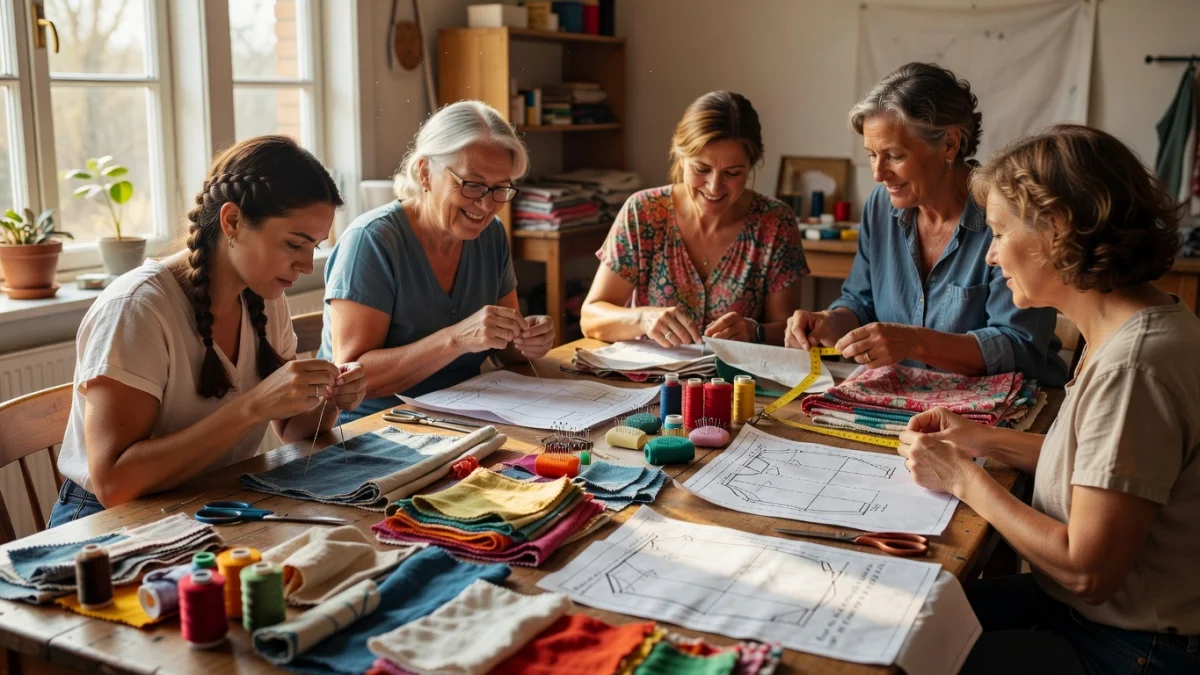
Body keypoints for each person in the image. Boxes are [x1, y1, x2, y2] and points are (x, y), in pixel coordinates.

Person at [899, 125, 1199, 675]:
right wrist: (981, 440)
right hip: (1088, 614)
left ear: (1056, 231)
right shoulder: (1129, 329)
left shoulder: (1135, 366)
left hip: (1129, 645)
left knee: (902, 658)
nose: (990, 257)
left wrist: (963, 478)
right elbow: (1103, 473)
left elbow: (1088, 570)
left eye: (998, 233)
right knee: (903, 612)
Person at [49, 135, 365, 526]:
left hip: (208, 501)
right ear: (232, 221)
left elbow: (292, 430)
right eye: (293, 244)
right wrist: (252, 407)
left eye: (313, 247)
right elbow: (114, 485)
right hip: (106, 523)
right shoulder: (136, 309)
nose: (305, 265)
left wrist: (329, 398)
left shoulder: (265, 298)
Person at [786, 63, 1067, 387]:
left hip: (1011, 413)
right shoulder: (880, 207)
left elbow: (1021, 347)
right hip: (913, 406)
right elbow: (862, 303)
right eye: (871, 155)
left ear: (949, 144)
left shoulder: (1010, 217)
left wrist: (916, 342)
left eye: (894, 155)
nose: (878, 174)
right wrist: (829, 322)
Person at [321, 101, 554, 421]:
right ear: (425, 172)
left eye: (500, 189)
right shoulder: (372, 240)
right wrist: (456, 338)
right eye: (472, 184)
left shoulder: (491, 235)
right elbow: (350, 377)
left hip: (464, 417)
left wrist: (527, 340)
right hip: (374, 428)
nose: (486, 205)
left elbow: (505, 353)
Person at [581, 91, 808, 347]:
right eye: (701, 170)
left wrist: (755, 331)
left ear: (751, 165)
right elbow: (591, 318)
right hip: (652, 381)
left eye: (732, 173)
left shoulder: (775, 222)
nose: (714, 187)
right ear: (680, 157)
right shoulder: (643, 212)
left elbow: (789, 331)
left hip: (738, 384)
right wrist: (643, 318)